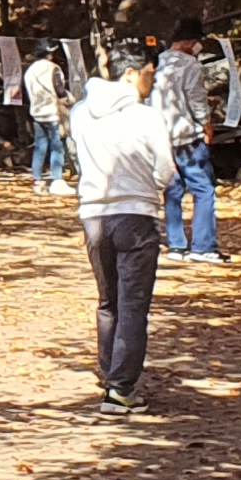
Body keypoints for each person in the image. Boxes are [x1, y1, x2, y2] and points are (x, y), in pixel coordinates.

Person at [72, 53, 176, 412]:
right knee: (133, 304)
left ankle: (111, 375)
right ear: (130, 74)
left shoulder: (80, 112)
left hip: (93, 215)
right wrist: (151, 188)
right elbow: (165, 166)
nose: (153, 79)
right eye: (149, 72)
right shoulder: (146, 115)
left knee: (108, 301)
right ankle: (120, 388)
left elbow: (78, 158)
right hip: (136, 213)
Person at [152, 33, 220, 261]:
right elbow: (196, 96)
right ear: (188, 40)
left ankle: (176, 244)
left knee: (172, 191)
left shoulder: (156, 61)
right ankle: (203, 246)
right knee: (204, 190)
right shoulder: (190, 64)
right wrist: (205, 122)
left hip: (161, 134)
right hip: (187, 135)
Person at [22, 40, 70, 194]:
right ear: (49, 54)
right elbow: (59, 88)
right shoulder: (53, 68)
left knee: (40, 147)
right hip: (52, 111)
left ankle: (37, 180)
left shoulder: (30, 70)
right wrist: (67, 100)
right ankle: (57, 178)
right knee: (57, 146)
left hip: (36, 112)